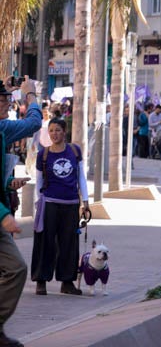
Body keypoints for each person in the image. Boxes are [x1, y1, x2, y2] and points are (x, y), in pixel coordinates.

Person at [0, 78, 41, 347]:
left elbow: (33, 125)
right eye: (3, 99)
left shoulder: (2, 127)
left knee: (16, 269)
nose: (7, 103)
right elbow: (32, 123)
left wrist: (6, 183)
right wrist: (31, 96)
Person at [30, 117, 89, 295]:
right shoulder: (43, 154)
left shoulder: (74, 151)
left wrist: (85, 202)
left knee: (69, 243)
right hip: (49, 204)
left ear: (65, 132)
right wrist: (38, 205)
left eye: (58, 130)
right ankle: (41, 280)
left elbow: (81, 178)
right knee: (45, 242)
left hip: (71, 204)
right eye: (51, 130)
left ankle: (67, 282)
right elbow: (39, 180)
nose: (54, 134)